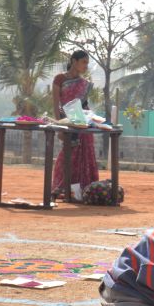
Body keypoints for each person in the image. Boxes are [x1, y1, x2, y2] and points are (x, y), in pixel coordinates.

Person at [51, 50, 100, 201]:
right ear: (74, 61)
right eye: (84, 62)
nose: (86, 66)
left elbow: (84, 105)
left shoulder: (83, 83)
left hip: (82, 123)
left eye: (87, 63)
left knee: (84, 154)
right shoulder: (60, 79)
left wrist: (91, 120)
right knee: (67, 155)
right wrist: (59, 124)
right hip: (67, 122)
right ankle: (60, 188)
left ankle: (84, 190)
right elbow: (55, 103)